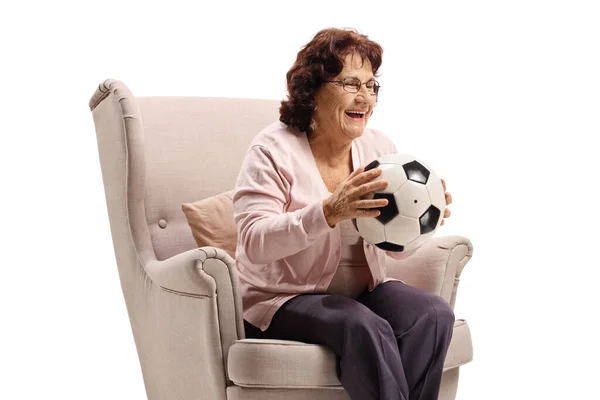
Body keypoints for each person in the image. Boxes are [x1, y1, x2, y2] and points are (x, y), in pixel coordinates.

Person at [232, 27, 454, 400]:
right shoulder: (271, 149)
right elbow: (253, 243)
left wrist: (419, 221)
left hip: (362, 294)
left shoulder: (379, 148)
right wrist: (328, 211)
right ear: (313, 90)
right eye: (352, 83)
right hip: (282, 300)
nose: (365, 97)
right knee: (363, 326)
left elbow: (392, 249)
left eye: (372, 86)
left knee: (433, 315)